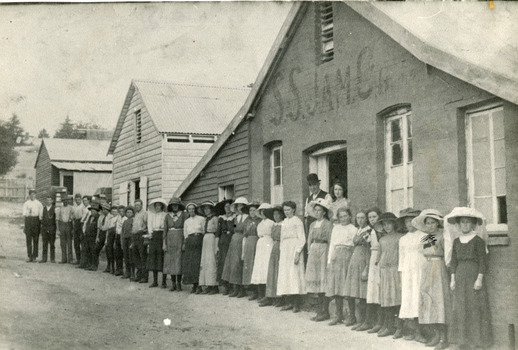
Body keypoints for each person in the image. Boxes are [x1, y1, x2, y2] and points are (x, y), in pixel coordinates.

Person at [447, 207, 492, 349]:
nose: (465, 225)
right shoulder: (456, 241)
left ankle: (475, 341)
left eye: (468, 222)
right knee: (460, 307)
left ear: (473, 224)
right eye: (462, 222)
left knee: (474, 307)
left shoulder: (478, 241)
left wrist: (479, 279)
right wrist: (453, 279)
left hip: (473, 275)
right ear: (458, 224)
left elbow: (483, 262)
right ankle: (462, 340)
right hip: (460, 276)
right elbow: (453, 262)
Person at [411, 209, 451, 349]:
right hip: (427, 268)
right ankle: (435, 335)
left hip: (438, 267)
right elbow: (423, 253)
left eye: (433, 222)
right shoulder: (426, 237)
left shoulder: (443, 236)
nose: (430, 225)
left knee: (439, 301)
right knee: (429, 301)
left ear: (438, 223)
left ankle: (443, 338)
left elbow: (447, 255)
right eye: (428, 223)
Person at [397, 208, 427, 341]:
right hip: (408, 272)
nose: (409, 224)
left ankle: (422, 331)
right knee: (409, 299)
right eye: (407, 222)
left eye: (412, 221)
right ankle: (412, 330)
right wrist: (401, 274)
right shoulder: (402, 239)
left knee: (419, 297)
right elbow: (401, 258)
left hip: (420, 269)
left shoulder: (425, 235)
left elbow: (434, 250)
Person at [374, 212, 404, 337]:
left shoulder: (400, 237)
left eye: (389, 224)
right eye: (384, 224)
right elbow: (378, 257)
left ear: (394, 224)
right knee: (386, 300)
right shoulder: (381, 239)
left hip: (395, 270)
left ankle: (399, 328)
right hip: (384, 271)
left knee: (397, 299)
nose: (387, 227)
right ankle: (388, 326)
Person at [326, 207, 356, 325]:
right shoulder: (336, 228)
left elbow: (354, 246)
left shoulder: (353, 229)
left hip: (348, 256)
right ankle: (338, 315)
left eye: (345, 216)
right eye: (341, 217)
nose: (343, 219)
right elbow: (332, 245)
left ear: (349, 216)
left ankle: (351, 316)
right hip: (336, 257)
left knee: (347, 287)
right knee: (337, 287)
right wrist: (329, 261)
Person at [305, 198, 334, 322]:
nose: (317, 212)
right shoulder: (312, 224)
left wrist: (328, 256)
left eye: (320, 210)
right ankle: (319, 310)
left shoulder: (328, 224)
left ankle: (324, 311)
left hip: (323, 250)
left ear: (324, 212)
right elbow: (309, 239)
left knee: (323, 280)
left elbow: (330, 240)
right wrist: (309, 250)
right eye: (315, 210)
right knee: (315, 280)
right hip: (314, 251)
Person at [344, 210, 373, 328]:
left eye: (362, 218)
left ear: (366, 219)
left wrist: (366, 266)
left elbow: (369, 248)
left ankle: (364, 320)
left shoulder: (369, 231)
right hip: (354, 260)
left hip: (363, 259)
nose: (360, 220)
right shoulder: (358, 231)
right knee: (352, 290)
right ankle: (353, 317)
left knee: (362, 291)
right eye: (358, 218)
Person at [277, 201, 306, 313]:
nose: (286, 212)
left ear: (293, 210)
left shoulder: (297, 221)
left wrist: (298, 252)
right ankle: (288, 302)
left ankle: (296, 304)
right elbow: (282, 238)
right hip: (285, 250)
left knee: (294, 275)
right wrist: (281, 251)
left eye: (288, 210)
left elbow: (301, 238)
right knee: (286, 275)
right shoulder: (284, 222)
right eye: (285, 210)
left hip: (294, 248)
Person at [358, 208, 383, 332]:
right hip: (373, 258)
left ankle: (380, 322)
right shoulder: (370, 231)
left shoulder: (382, 231)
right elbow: (369, 249)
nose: (372, 219)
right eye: (370, 217)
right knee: (372, 291)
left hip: (381, 259)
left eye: (374, 216)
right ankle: (369, 321)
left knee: (379, 290)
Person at [222, 197, 249, 298]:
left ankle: (242, 290)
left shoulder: (247, 217)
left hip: (242, 240)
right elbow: (233, 228)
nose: (239, 208)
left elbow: (245, 229)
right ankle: (235, 288)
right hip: (234, 241)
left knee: (239, 264)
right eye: (237, 206)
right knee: (232, 264)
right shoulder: (236, 218)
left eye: (241, 206)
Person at [304, 174, 332, 264]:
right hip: (312, 226)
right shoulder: (308, 199)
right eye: (310, 185)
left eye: (314, 184)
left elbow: (330, 213)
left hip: (323, 227)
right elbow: (306, 215)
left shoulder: (326, 196)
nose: (312, 187)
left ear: (318, 184)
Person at [260, 206, 285, 307]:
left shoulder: (284, 224)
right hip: (274, 247)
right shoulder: (274, 225)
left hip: (281, 247)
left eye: (278, 214)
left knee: (279, 272)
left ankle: (280, 298)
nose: (276, 216)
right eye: (274, 214)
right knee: (272, 272)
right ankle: (270, 296)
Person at [251, 203, 275, 304]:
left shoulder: (271, 222)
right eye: (261, 211)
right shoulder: (260, 223)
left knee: (266, 268)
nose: (262, 213)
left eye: (265, 211)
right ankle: (261, 294)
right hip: (260, 244)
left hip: (268, 244)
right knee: (259, 268)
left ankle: (267, 295)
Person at [163, 197, 187, 291]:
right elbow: (164, 231)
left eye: (176, 205)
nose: (175, 207)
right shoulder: (167, 216)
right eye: (173, 205)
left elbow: (186, 229)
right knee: (171, 261)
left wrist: (184, 242)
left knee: (179, 261)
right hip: (170, 240)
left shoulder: (184, 215)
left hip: (180, 238)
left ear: (179, 205)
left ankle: (179, 283)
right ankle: (173, 283)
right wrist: (164, 244)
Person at [182, 203, 205, 294]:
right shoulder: (186, 221)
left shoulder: (201, 219)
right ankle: (194, 285)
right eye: (189, 209)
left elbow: (203, 230)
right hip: (190, 241)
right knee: (191, 264)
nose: (191, 211)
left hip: (199, 240)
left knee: (197, 263)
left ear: (195, 209)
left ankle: (199, 285)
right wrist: (186, 243)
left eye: (192, 209)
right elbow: (185, 233)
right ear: (187, 211)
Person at [145, 198, 168, 288]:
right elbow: (149, 225)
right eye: (156, 206)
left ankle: (164, 282)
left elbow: (165, 226)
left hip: (162, 235)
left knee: (162, 258)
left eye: (159, 205)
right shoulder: (152, 215)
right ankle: (155, 281)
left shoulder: (165, 215)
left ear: (162, 206)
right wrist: (150, 233)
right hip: (154, 236)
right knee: (153, 258)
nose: (157, 207)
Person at [199, 201, 220, 294]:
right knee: (205, 262)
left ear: (211, 209)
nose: (206, 210)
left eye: (208, 208)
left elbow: (217, 231)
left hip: (212, 238)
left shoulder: (215, 218)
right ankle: (207, 284)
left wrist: (216, 244)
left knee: (211, 261)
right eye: (205, 209)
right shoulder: (205, 219)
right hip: (205, 239)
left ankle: (214, 286)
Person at [242, 202, 261, 300]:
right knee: (249, 266)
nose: (252, 212)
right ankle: (252, 291)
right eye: (250, 210)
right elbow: (244, 233)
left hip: (257, 242)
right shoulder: (246, 220)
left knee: (256, 266)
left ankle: (259, 291)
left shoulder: (260, 220)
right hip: (249, 242)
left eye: (254, 210)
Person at [215, 199, 235, 294]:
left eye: (229, 206)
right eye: (225, 207)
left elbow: (235, 229)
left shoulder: (235, 218)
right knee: (223, 263)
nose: (227, 208)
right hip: (222, 241)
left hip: (231, 240)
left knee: (231, 262)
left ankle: (232, 286)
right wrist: (216, 246)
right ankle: (225, 286)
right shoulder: (221, 218)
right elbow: (217, 233)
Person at [23, 189, 43, 262]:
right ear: (29, 195)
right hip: (28, 221)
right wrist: (25, 226)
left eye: (34, 194)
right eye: (31, 194)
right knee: (28, 240)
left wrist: (40, 225)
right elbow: (24, 215)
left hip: (36, 221)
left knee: (36, 239)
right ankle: (29, 256)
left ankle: (35, 256)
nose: (32, 195)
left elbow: (40, 215)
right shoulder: (26, 203)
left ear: (35, 195)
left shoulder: (39, 203)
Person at [131, 199, 148, 282]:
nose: (136, 206)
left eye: (138, 205)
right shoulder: (136, 214)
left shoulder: (145, 213)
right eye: (135, 205)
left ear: (142, 205)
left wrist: (145, 236)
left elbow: (147, 225)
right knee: (136, 256)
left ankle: (144, 277)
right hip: (135, 236)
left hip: (141, 235)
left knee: (143, 256)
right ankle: (138, 275)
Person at [83, 201, 100, 271]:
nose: (92, 212)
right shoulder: (90, 217)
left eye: (94, 211)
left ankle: (94, 265)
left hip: (94, 236)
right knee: (88, 250)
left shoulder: (98, 218)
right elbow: (87, 225)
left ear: (96, 211)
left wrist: (97, 237)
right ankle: (89, 264)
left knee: (94, 251)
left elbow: (98, 228)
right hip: (88, 236)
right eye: (91, 211)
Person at [56, 196, 74, 264]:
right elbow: (57, 220)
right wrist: (58, 229)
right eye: (64, 201)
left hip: (69, 225)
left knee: (69, 243)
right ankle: (64, 259)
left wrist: (72, 228)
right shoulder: (60, 209)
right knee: (63, 243)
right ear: (62, 202)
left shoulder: (71, 208)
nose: (65, 202)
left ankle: (70, 259)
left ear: (68, 201)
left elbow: (73, 219)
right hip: (62, 225)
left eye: (67, 201)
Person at [40, 195, 56, 263]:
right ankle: (44, 258)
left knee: (52, 244)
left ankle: (52, 259)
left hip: (52, 228)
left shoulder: (55, 209)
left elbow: (56, 220)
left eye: (50, 200)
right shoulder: (43, 209)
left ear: (52, 201)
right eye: (47, 200)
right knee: (44, 243)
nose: (48, 201)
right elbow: (41, 218)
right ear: (45, 201)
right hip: (44, 228)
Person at [95, 203, 111, 271]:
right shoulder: (101, 217)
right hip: (101, 233)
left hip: (108, 233)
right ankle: (95, 264)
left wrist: (106, 240)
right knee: (96, 249)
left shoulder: (111, 217)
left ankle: (109, 267)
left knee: (108, 251)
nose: (103, 211)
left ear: (108, 210)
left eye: (105, 209)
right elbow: (98, 227)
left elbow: (109, 228)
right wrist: (97, 237)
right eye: (103, 209)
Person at [72, 193, 87, 264]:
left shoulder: (83, 207)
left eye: (79, 199)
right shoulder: (75, 207)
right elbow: (73, 217)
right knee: (76, 243)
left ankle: (82, 260)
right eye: (76, 200)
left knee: (82, 242)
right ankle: (78, 259)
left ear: (81, 199)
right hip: (76, 224)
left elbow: (83, 218)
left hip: (81, 223)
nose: (77, 201)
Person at [120, 206, 135, 280]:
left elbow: (134, 232)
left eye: (130, 212)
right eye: (127, 212)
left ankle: (132, 273)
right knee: (125, 257)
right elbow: (122, 232)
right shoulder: (125, 222)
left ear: (133, 213)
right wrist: (122, 242)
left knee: (131, 257)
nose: (128, 214)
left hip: (130, 239)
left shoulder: (133, 221)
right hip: (125, 239)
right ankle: (127, 272)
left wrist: (132, 242)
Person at [104, 206, 119, 274]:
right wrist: (106, 240)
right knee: (109, 251)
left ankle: (115, 268)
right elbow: (107, 229)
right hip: (110, 234)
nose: (114, 213)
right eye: (112, 211)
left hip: (115, 235)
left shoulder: (118, 218)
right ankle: (111, 267)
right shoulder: (110, 219)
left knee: (114, 252)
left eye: (115, 211)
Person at [114, 205, 126, 276]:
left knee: (122, 253)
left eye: (123, 211)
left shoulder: (125, 218)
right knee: (117, 253)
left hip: (123, 236)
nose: (121, 213)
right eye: (120, 211)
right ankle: (118, 269)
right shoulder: (118, 218)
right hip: (117, 235)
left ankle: (123, 270)